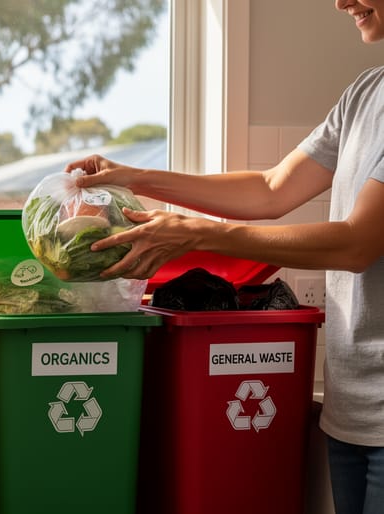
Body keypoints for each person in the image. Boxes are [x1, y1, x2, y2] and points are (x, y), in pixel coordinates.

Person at [64, 1, 384, 513]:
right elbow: (270, 189)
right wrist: (133, 177)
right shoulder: (367, 93)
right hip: (352, 408)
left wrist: (197, 235)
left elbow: (355, 243)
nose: (342, 2)